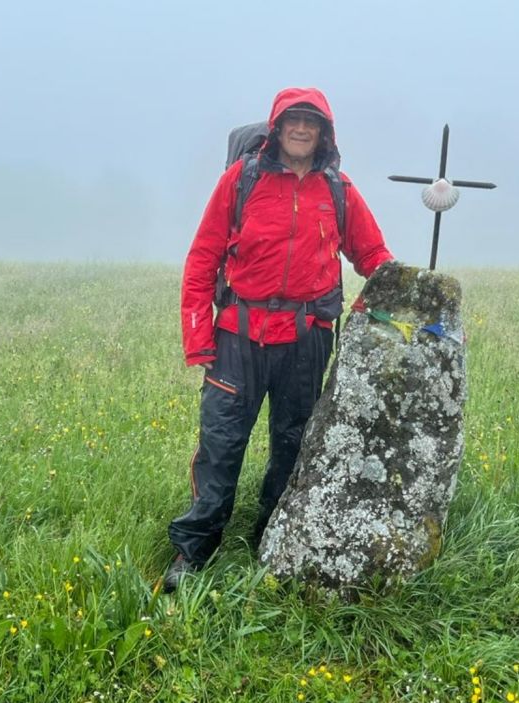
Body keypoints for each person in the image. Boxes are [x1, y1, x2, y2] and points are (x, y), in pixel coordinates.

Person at [165, 87, 395, 592]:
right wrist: (198, 338)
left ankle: (275, 534)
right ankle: (193, 551)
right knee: (221, 444)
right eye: (293, 119)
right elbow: (202, 260)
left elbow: (373, 254)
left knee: (294, 442)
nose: (301, 129)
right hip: (237, 339)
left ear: (324, 133)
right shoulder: (240, 181)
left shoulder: (338, 190)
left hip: (306, 340)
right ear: (277, 126)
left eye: (312, 122)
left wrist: (411, 297)